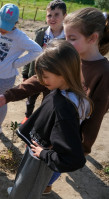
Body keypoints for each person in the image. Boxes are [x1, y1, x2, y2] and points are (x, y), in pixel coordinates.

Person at [0, 7, 109, 195]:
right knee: (35, 168)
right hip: (49, 130)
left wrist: (80, 149)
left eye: (72, 38)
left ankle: (38, 188)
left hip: (63, 140)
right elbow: (40, 79)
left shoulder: (103, 73)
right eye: (65, 36)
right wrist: (8, 95)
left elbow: (96, 118)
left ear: (92, 38)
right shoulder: (70, 54)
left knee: (45, 172)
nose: (65, 41)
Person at [7, 40, 91, 198]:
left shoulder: (64, 109)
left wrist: (44, 154)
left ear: (64, 73)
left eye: (44, 76)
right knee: (23, 183)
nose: (41, 80)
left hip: (39, 158)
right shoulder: (69, 92)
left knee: (28, 188)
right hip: (38, 148)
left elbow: (75, 159)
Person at [0, 3, 42, 137]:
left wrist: (17, 63)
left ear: (15, 23)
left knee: (2, 101)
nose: (2, 29)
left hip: (6, 76)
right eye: (1, 25)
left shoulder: (19, 36)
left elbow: (37, 50)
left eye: (6, 27)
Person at [21, 0, 67, 125]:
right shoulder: (41, 33)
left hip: (53, 77)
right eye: (49, 15)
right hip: (35, 73)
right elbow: (31, 53)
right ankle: (27, 117)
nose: (52, 18)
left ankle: (41, 121)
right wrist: (25, 74)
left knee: (48, 100)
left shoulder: (67, 38)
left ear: (65, 16)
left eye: (56, 14)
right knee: (31, 98)